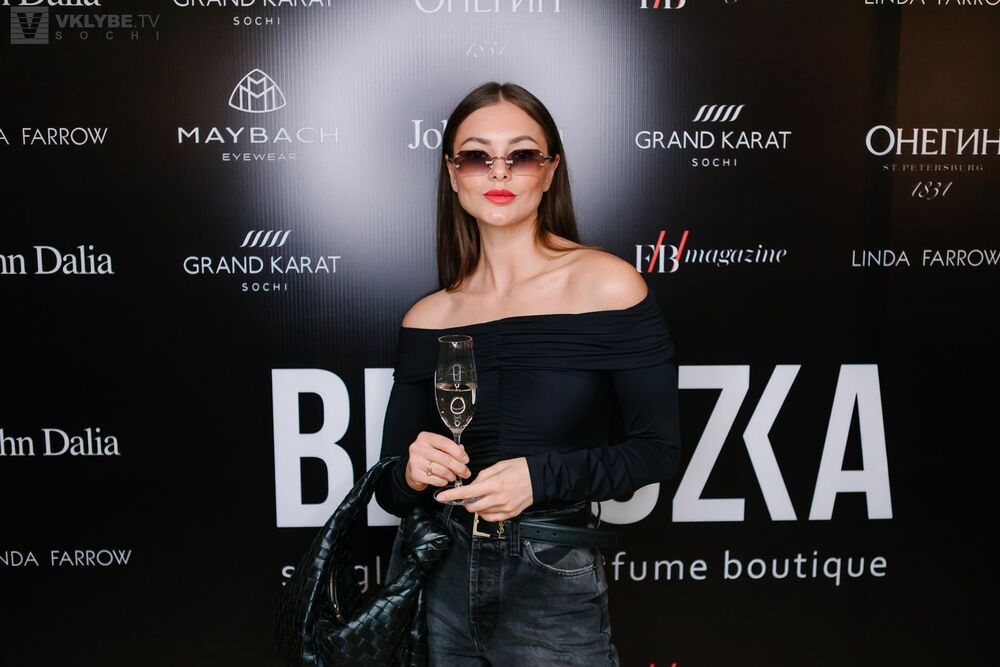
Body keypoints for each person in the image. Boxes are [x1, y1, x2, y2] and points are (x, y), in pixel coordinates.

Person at [374, 81, 681, 666]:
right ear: (452, 174)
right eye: (476, 157)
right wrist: (412, 472)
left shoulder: (608, 285)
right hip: (438, 573)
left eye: (521, 155)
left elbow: (658, 451)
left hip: (550, 578)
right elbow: (389, 486)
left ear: (550, 170)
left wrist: (540, 479)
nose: (499, 172)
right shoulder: (428, 317)